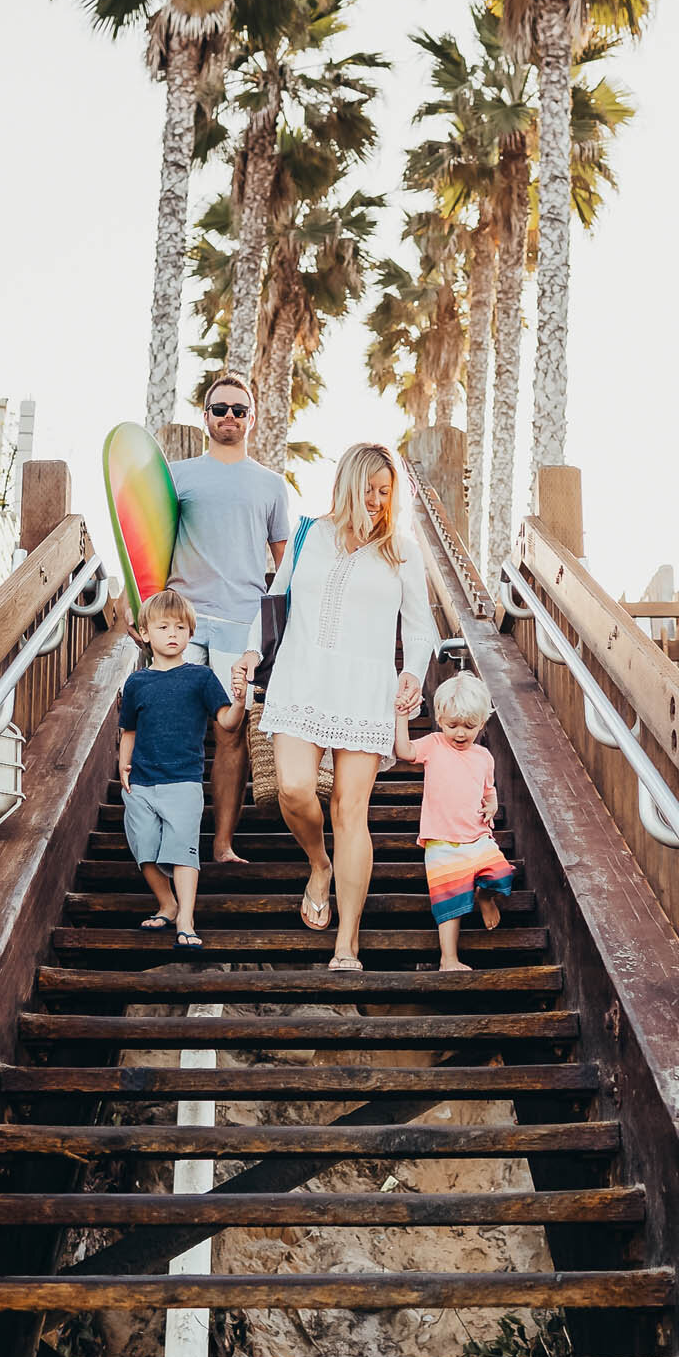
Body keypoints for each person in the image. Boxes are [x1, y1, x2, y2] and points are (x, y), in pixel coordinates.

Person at [232, 443, 436, 973]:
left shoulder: (403, 550)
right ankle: (318, 864)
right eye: (366, 489)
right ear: (345, 484)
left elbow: (420, 628)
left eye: (384, 492)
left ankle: (348, 944)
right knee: (294, 788)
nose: (374, 501)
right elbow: (275, 600)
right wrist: (252, 652)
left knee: (351, 812)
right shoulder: (308, 536)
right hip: (301, 677)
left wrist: (412, 671)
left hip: (365, 687)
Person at [166, 372, 290, 864]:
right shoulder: (177, 476)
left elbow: (287, 567)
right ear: (205, 416)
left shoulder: (271, 485)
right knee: (173, 728)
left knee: (229, 732)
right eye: (221, 409)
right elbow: (146, 545)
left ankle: (221, 845)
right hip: (183, 619)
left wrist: (282, 630)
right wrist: (145, 605)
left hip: (241, 624)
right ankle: (176, 843)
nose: (230, 417)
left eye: (240, 409)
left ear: (253, 418)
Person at [118, 590, 246, 950]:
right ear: (145, 634)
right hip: (142, 781)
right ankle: (167, 903)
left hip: (184, 781)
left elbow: (227, 722)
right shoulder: (137, 682)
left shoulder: (201, 677)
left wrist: (239, 702)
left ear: (190, 634)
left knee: (182, 850)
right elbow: (129, 730)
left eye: (180, 627)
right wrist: (122, 765)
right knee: (143, 847)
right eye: (163, 627)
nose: (172, 633)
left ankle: (186, 920)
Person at [394, 671, 515, 972]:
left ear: (482, 724)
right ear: (439, 719)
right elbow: (405, 751)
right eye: (452, 725)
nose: (460, 733)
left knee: (501, 874)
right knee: (448, 902)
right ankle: (448, 959)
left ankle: (484, 896)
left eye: (469, 726)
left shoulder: (484, 756)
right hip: (441, 840)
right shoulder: (435, 744)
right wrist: (399, 718)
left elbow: (489, 791)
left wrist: (492, 804)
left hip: (477, 837)